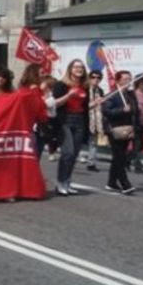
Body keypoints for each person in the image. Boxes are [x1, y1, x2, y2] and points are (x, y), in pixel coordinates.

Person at [52, 59, 89, 196]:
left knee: (74, 154)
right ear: (70, 69)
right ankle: (60, 182)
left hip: (79, 120)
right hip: (65, 120)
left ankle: (67, 181)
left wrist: (95, 104)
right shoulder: (61, 85)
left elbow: (84, 107)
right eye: (76, 67)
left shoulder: (85, 86)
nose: (79, 69)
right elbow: (55, 103)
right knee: (68, 152)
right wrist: (69, 95)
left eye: (81, 67)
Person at [102, 70, 138, 195]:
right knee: (120, 157)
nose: (128, 82)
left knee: (119, 157)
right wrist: (122, 110)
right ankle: (125, 184)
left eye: (130, 79)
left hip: (127, 129)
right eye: (125, 79)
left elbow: (135, 110)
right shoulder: (112, 95)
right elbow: (106, 111)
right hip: (114, 130)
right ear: (118, 81)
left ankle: (111, 182)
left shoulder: (130, 95)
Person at [84, 70, 105, 172]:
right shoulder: (85, 89)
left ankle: (91, 163)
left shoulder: (100, 91)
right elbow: (82, 106)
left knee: (93, 142)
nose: (96, 79)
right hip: (84, 118)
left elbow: (101, 106)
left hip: (96, 120)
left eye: (98, 78)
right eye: (93, 77)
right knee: (78, 142)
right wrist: (93, 104)